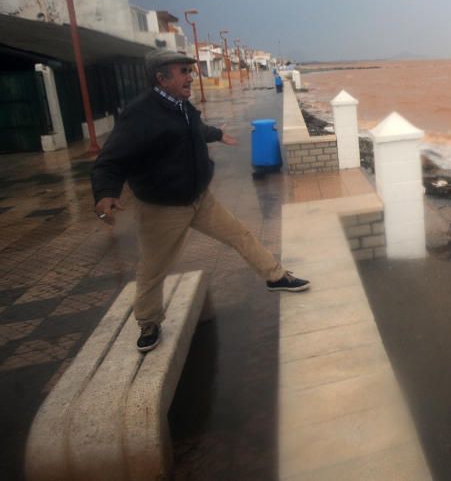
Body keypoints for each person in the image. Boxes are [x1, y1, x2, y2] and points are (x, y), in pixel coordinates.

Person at [92, 48, 309, 353]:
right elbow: (111, 159)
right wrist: (105, 192)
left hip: (199, 198)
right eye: (183, 71)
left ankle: (275, 276)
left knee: (240, 234)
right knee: (153, 269)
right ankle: (149, 323)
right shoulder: (140, 114)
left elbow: (191, 131)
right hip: (163, 208)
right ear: (161, 78)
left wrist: (218, 133)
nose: (191, 77)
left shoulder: (180, 105)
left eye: (190, 71)